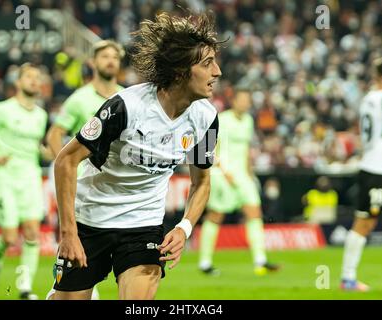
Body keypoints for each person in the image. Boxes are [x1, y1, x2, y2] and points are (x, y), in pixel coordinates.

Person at [50, 11, 221, 300]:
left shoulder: (207, 118)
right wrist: (68, 233)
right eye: (207, 63)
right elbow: (65, 160)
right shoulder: (125, 107)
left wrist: (184, 228)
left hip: (143, 227)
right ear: (180, 70)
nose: (217, 72)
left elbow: (201, 182)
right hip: (92, 221)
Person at [45, 39, 125, 300]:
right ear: (93, 63)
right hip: (83, 188)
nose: (110, 61)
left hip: (115, 188)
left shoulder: (126, 98)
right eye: (105, 56)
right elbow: (55, 135)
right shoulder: (79, 99)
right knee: (79, 245)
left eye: (115, 56)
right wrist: (69, 169)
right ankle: (68, 290)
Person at [0, 63, 53, 299]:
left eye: (37, 78)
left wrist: (47, 153)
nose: (33, 81)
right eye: (29, 77)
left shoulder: (41, 115)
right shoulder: (3, 110)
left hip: (30, 177)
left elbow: (37, 147)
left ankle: (24, 287)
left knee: (32, 232)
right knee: (9, 237)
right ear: (18, 83)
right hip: (5, 177)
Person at [198, 88, 279, 276]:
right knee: (216, 216)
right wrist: (222, 170)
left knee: (254, 212)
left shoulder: (249, 121)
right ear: (233, 101)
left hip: (243, 175)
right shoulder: (221, 119)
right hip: (222, 174)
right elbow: (208, 146)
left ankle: (261, 260)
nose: (244, 103)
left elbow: (245, 150)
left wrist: (249, 173)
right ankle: (205, 262)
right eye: (241, 100)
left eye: (247, 100)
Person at [340, 57, 382, 292]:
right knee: (365, 223)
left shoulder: (373, 99)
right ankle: (347, 279)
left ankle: (348, 278)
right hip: (376, 170)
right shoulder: (381, 99)